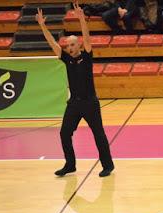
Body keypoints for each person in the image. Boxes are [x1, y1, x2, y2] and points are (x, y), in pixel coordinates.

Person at [36, 1, 115, 177]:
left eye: (72, 44)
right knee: (64, 133)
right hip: (74, 104)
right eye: (67, 46)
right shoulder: (67, 60)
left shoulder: (86, 57)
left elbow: (87, 38)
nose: (69, 48)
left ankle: (107, 165)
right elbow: (52, 44)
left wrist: (81, 20)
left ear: (78, 45)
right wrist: (43, 26)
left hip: (90, 103)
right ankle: (70, 165)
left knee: (98, 135)